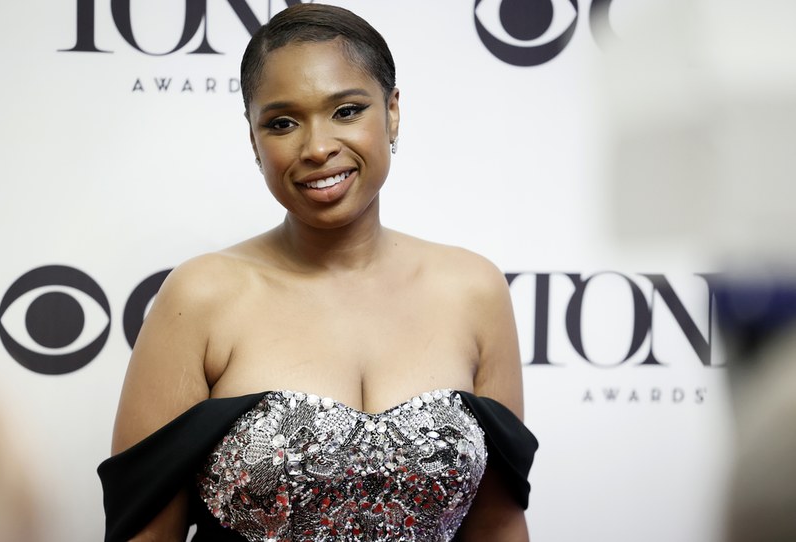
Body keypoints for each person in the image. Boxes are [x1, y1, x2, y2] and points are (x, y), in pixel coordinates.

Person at [98, 4, 537, 541]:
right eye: (282, 122)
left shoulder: (474, 290)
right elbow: (146, 533)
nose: (318, 148)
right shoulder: (202, 296)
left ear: (392, 112)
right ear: (254, 137)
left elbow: (499, 523)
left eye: (347, 110)